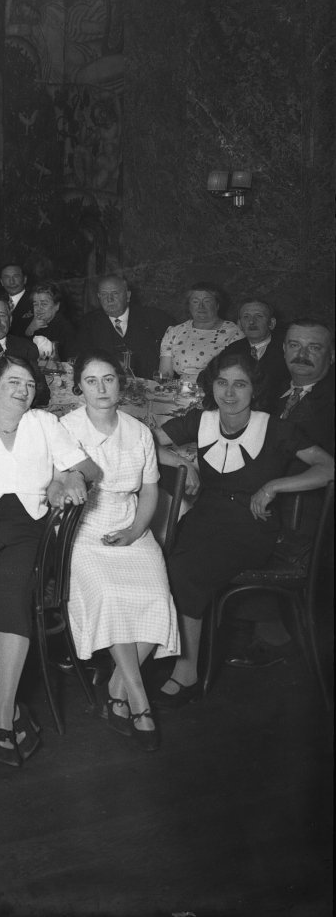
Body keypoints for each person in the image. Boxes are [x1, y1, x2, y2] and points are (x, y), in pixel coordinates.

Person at [152, 347, 333, 706]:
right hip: (205, 517)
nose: (229, 394)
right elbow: (141, 444)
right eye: (222, 383)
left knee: (185, 569)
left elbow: (329, 467)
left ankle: (186, 672)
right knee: (160, 558)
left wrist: (274, 486)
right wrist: (179, 462)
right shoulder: (200, 421)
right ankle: (166, 654)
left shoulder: (278, 428)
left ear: (255, 390)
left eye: (240, 384)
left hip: (252, 527)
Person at [0, 356, 100, 767]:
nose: (22, 390)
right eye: (13, 382)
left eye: (29, 384)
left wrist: (70, 478)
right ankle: (9, 711)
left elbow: (88, 467)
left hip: (31, 530)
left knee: (14, 598)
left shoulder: (44, 424)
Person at [58, 351, 180, 750]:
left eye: (108, 379)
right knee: (111, 597)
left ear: (119, 383)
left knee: (157, 599)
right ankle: (139, 699)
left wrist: (135, 530)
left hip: (131, 525)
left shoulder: (138, 430)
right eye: (91, 381)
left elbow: (149, 490)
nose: (101, 388)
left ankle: (116, 685)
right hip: (84, 528)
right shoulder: (65, 428)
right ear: (79, 388)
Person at [195, 298, 289, 413]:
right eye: (246, 317)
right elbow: (205, 378)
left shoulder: (286, 350)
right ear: (239, 324)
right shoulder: (233, 349)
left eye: (259, 316)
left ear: (271, 323)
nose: (252, 322)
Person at [79, 274, 171, 379]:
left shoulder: (155, 318)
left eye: (115, 293)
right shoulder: (88, 323)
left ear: (128, 296)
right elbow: (83, 361)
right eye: (104, 294)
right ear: (99, 297)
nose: (110, 299)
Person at [159, 283, 241, 380]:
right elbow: (165, 375)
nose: (201, 306)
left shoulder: (234, 332)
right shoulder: (174, 332)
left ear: (217, 305)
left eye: (207, 301)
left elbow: (237, 374)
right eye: (195, 301)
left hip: (217, 391)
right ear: (189, 306)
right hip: (182, 392)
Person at [278, 319, 334, 453]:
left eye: (314, 347)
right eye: (294, 345)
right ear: (284, 349)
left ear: (332, 356)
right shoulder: (268, 390)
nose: (302, 354)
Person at [23, 281, 76, 362]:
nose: (39, 308)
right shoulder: (31, 323)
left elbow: (69, 360)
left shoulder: (66, 328)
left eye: (44, 304)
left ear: (56, 306)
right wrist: (29, 330)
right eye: (35, 304)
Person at [0, 263, 33, 335]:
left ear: (25, 279)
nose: (12, 282)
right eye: (7, 277)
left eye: (16, 276)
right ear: (1, 282)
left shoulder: (34, 301)